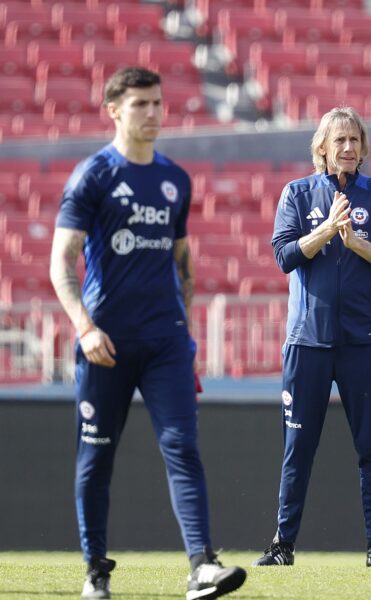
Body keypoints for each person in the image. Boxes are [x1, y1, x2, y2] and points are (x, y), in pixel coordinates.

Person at [49, 67, 246, 600]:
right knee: (96, 458)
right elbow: (61, 262)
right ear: (114, 110)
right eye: (141, 104)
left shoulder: (175, 179)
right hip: (105, 345)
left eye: (158, 103)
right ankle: (96, 572)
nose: (154, 113)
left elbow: (183, 261)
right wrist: (85, 329)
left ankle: (202, 567)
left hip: (165, 346)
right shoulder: (92, 176)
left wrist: (186, 334)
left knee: (183, 446)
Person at [252, 107, 371, 569]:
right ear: (322, 148)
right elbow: (283, 255)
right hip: (308, 342)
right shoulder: (297, 194)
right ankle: (283, 545)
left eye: (355, 140)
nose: (348, 148)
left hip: (363, 342)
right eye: (339, 141)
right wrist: (324, 232)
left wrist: (357, 242)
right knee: (298, 447)